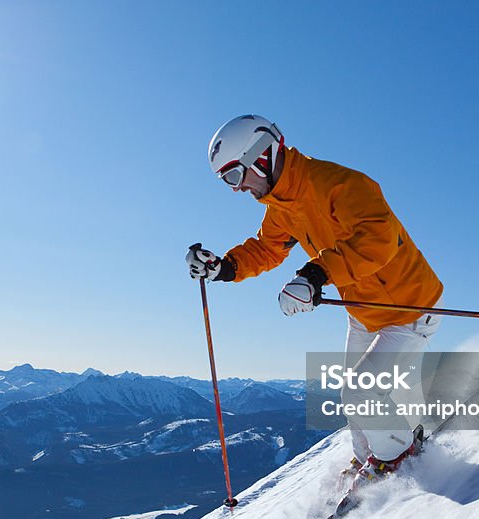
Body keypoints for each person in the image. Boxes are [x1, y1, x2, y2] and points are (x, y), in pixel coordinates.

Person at [186, 114, 444, 483]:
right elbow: (266, 249)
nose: (235, 188)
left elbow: (379, 238)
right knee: (351, 397)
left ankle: (397, 458)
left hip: (407, 306)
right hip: (362, 310)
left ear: (260, 156)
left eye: (233, 175)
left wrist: (316, 275)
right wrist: (223, 268)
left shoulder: (339, 184)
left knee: (360, 393)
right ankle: (367, 461)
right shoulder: (282, 207)